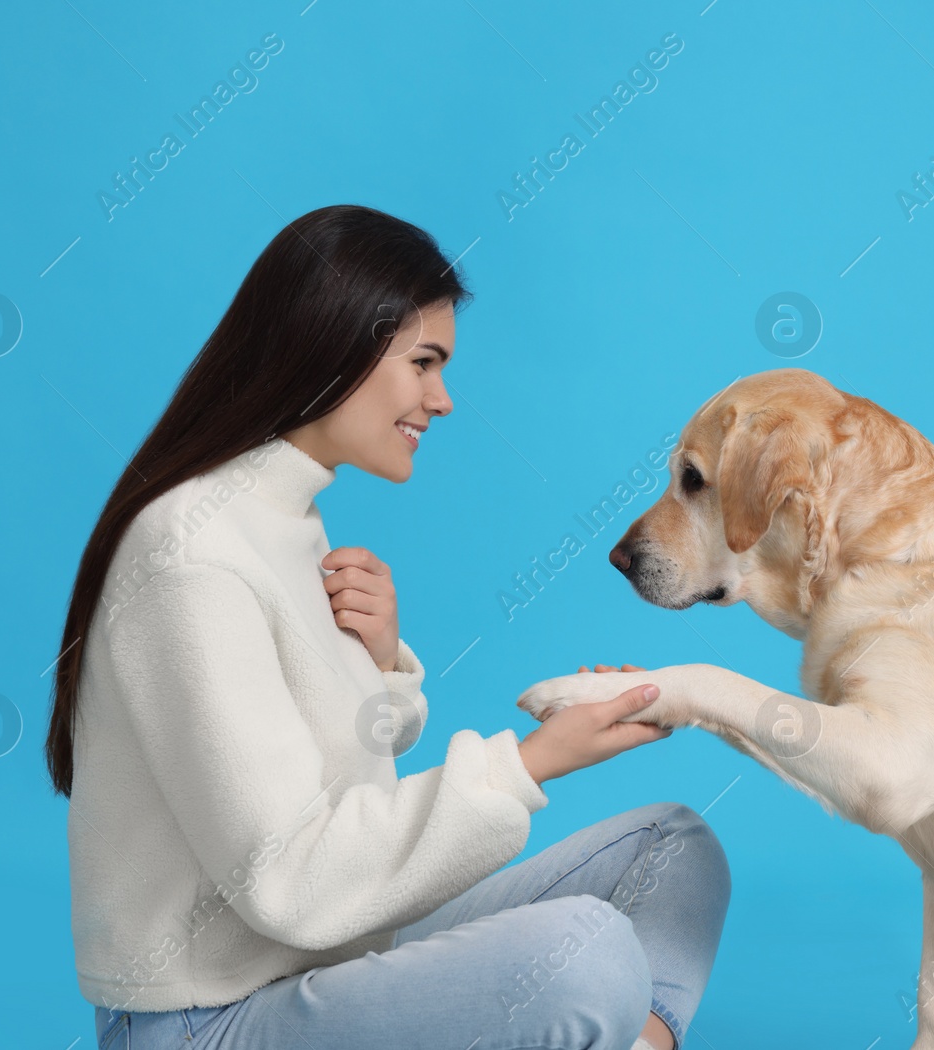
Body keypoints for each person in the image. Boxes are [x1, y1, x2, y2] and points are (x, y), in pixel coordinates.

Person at [43, 204, 731, 1050]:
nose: (442, 401)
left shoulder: (285, 521)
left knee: (673, 851)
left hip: (322, 968)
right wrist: (531, 763)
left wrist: (378, 666)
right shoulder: (192, 554)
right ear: (332, 342)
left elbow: (319, 771)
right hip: (208, 1021)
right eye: (423, 363)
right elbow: (289, 877)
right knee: (584, 957)